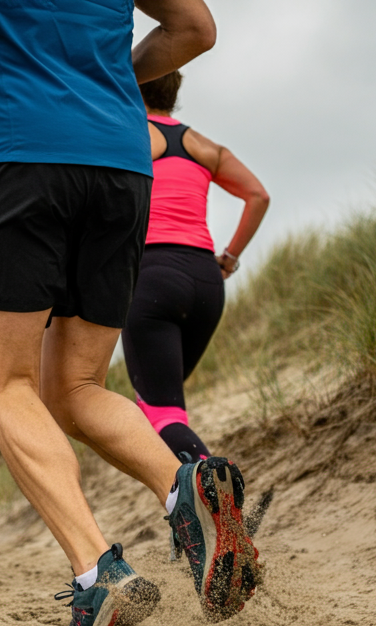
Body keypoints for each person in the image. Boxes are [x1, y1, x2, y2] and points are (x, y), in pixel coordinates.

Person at [0, 0, 261, 626]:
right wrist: (112, 79)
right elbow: (196, 29)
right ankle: (182, 487)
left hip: (21, 155)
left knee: (7, 386)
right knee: (75, 385)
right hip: (120, 166)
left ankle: (96, 572)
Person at [123, 70, 270, 462]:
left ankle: (217, 493)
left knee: (160, 411)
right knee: (161, 406)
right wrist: (230, 258)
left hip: (152, 275)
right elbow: (257, 195)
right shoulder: (206, 147)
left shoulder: (129, 134)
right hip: (206, 279)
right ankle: (187, 511)